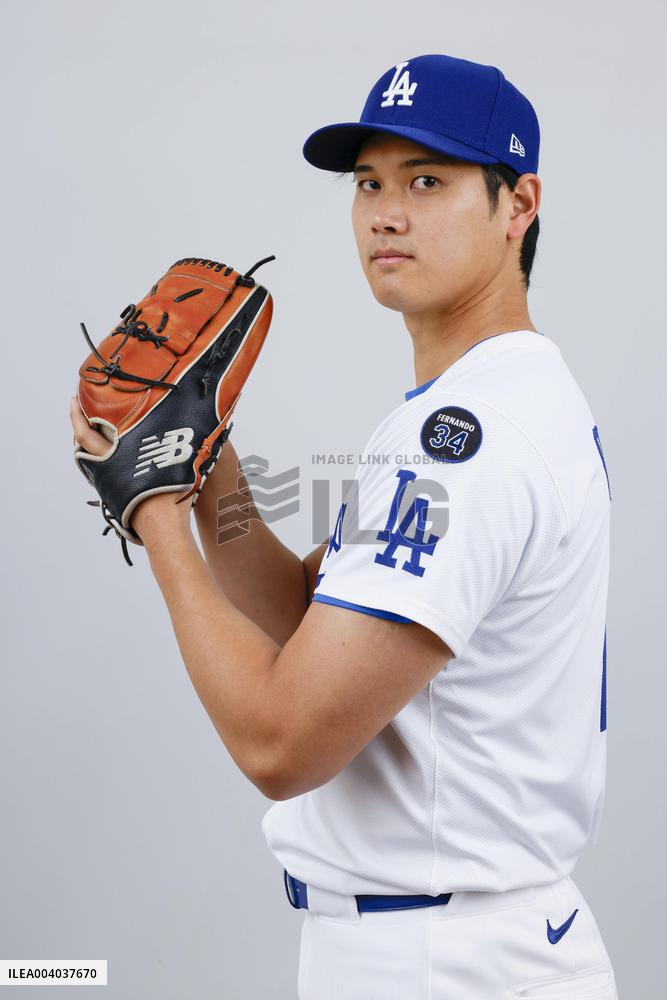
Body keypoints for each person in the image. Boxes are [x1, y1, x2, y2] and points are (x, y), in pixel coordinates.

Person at [69, 53, 618, 1000]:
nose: (384, 212)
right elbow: (307, 623)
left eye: (427, 180)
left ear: (517, 203)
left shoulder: (465, 440)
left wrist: (153, 510)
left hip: (449, 960)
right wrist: (210, 470)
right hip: (463, 942)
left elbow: (282, 743)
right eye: (368, 182)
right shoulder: (489, 403)